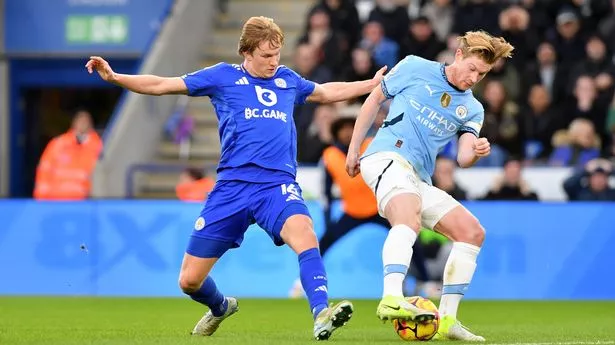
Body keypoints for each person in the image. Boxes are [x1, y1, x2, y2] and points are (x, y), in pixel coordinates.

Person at [86, 16, 386, 341]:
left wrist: (371, 85)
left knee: (305, 234)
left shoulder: (287, 80)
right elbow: (162, 85)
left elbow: (327, 92)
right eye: (266, 56)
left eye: (277, 55)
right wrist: (115, 77)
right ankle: (220, 307)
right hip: (232, 189)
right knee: (189, 281)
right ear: (246, 52)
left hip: (276, 186)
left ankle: (321, 313)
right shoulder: (222, 77)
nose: (274, 62)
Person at [346, 31, 514, 341]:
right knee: (407, 215)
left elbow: (463, 157)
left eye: (483, 74)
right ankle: (392, 298)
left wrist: (475, 152)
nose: (475, 78)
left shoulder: (473, 108)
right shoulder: (414, 67)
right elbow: (375, 99)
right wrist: (354, 148)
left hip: (417, 177)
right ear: (459, 55)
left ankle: (448, 321)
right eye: (473, 69)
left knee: (472, 232)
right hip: (385, 157)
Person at [289, 114, 433, 298]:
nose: (348, 133)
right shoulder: (329, 155)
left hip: (380, 207)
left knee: (410, 237)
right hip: (352, 210)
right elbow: (325, 192)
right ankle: (303, 283)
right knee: (322, 243)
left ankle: (425, 281)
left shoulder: (372, 145)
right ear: (337, 132)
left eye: (352, 128)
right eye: (344, 129)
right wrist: (328, 220)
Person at [34, 109, 103, 200]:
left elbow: (102, 175)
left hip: (84, 202)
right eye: (80, 120)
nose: (82, 124)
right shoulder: (58, 144)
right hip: (56, 201)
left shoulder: (98, 146)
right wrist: (41, 200)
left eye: (85, 121)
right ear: (74, 123)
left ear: (91, 124)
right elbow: (44, 171)